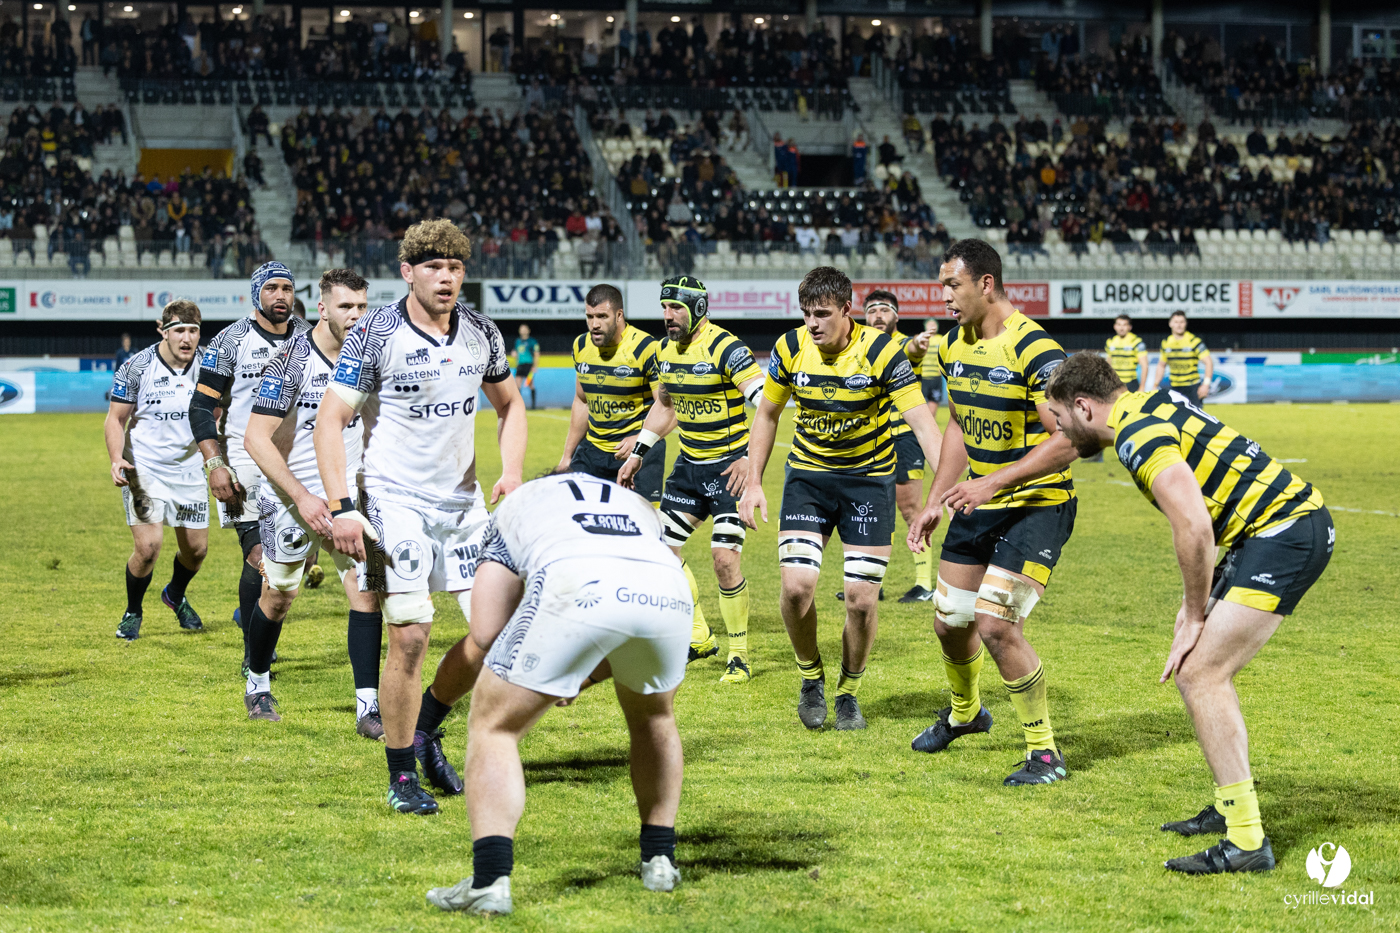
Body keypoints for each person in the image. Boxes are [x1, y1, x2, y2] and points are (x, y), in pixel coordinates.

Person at [1044, 352, 1333, 874]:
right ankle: (1231, 808)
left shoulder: (1136, 436)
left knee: (1202, 673)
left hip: (1285, 532)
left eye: (1059, 418)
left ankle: (1247, 844)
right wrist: (1189, 605)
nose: (1059, 430)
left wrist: (1195, 611)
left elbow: (1195, 528)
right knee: (1197, 671)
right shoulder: (1147, 403)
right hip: (1272, 529)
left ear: (1083, 407)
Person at [315, 220, 527, 816]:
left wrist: (510, 472)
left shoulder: (482, 332)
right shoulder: (376, 334)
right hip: (392, 499)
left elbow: (510, 407)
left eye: (456, 268)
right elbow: (328, 422)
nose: (447, 277)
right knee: (409, 633)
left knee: (494, 637)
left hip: (464, 506)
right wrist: (343, 510)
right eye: (434, 266)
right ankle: (401, 774)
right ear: (408, 272)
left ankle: (429, 725)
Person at [425, 474, 692, 915]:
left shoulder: (517, 505)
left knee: (495, 726)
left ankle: (489, 880)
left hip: (577, 585)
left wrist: (547, 664)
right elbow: (633, 604)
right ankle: (659, 860)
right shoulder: (632, 503)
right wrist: (577, 671)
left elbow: (487, 629)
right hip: (668, 592)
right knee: (654, 717)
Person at [737, 267, 943, 731]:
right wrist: (753, 482)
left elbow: (924, 424)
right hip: (807, 480)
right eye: (807, 313)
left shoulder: (883, 352)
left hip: (867, 482)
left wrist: (943, 491)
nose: (813, 323)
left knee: (861, 600)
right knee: (795, 589)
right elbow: (767, 415)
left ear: (847, 311)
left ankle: (848, 691)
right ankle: (811, 677)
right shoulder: (790, 348)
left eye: (823, 314)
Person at [905, 239, 1079, 786]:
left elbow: (1069, 439)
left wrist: (991, 483)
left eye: (952, 286)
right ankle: (967, 714)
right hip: (980, 501)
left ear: (985, 284)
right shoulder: (954, 346)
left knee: (996, 625)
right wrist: (937, 498)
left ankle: (1044, 752)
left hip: (1037, 507)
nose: (945, 298)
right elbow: (958, 424)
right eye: (941, 288)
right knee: (949, 623)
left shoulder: (1034, 350)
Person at [241, 269, 381, 732]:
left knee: (366, 595)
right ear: (322, 309)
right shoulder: (292, 361)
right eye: (346, 307)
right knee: (279, 598)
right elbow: (255, 439)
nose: (356, 317)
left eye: (362, 306)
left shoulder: (373, 355)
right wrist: (300, 497)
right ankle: (257, 683)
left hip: (348, 499)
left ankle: (369, 707)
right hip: (291, 497)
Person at [617, 276, 765, 683]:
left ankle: (739, 654)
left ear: (698, 308)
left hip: (728, 469)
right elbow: (665, 406)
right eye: (665, 308)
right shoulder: (665, 350)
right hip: (688, 468)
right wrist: (638, 454)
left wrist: (751, 459)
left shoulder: (726, 348)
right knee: (663, 554)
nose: (668, 316)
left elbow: (766, 405)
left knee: (724, 559)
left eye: (677, 308)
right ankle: (700, 636)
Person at [188, 262, 312, 676]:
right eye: (272, 288)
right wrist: (215, 463)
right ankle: (253, 657)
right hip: (246, 462)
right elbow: (202, 406)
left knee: (293, 561)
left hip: (301, 462)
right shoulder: (230, 341)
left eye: (287, 289)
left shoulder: (309, 338)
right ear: (256, 294)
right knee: (258, 554)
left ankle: (259, 629)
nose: (281, 296)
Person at [106, 300, 208, 640]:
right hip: (144, 468)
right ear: (162, 330)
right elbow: (116, 419)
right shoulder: (137, 367)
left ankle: (174, 594)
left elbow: (216, 412)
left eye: (193, 330)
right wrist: (116, 458)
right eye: (179, 330)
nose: (187, 338)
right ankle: (133, 611)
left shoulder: (209, 365)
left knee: (196, 551)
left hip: (190, 470)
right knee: (148, 547)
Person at [859, 291, 941, 604]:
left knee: (909, 509)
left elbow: (912, 349)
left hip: (905, 437)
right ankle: (870, 582)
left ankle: (923, 584)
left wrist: (919, 344)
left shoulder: (904, 344)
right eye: (872, 310)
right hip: (870, 438)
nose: (878, 315)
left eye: (885, 310)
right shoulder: (860, 346)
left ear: (897, 316)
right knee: (871, 511)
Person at [555, 285, 667, 505]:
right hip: (592, 450)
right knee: (575, 519)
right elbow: (581, 401)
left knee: (636, 528)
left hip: (637, 453)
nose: (594, 324)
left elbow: (665, 407)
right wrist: (567, 455)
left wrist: (640, 439)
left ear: (619, 315)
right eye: (590, 316)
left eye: (602, 316)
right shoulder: (580, 345)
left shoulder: (647, 348)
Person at [1154, 311, 1212, 402]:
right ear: (1170, 324)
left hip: (1192, 387)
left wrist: (1206, 384)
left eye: (1181, 322)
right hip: (1174, 387)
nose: (1179, 325)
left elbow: (1208, 362)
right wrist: (1155, 384)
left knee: (1194, 416)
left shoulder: (1194, 341)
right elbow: (1161, 365)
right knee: (1174, 416)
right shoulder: (1166, 343)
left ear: (1185, 324)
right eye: (1176, 322)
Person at [1105, 314, 1148, 391]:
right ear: (1115, 326)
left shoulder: (1136, 342)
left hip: (1131, 384)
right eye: (1119, 325)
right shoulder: (1110, 342)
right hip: (1115, 384)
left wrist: (1142, 387)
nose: (1121, 328)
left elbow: (1144, 366)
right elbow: (1108, 365)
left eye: (1124, 325)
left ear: (1130, 327)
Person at [919, 318, 944, 421]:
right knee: (921, 408)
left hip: (936, 378)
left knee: (933, 409)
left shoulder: (941, 339)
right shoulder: (921, 338)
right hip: (922, 378)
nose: (932, 326)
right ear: (925, 327)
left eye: (934, 324)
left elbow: (945, 355)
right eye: (930, 324)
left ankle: (931, 429)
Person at [512, 323, 540, 410]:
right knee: (517, 385)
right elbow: (515, 352)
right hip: (520, 365)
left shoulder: (532, 341)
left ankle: (533, 406)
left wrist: (535, 366)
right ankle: (518, 405)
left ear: (528, 331)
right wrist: (514, 355)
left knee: (530, 384)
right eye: (521, 329)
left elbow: (536, 354)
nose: (523, 330)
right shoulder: (517, 341)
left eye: (525, 329)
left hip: (529, 365)